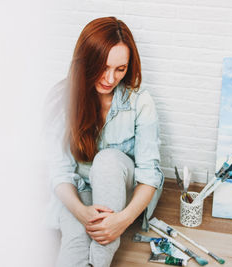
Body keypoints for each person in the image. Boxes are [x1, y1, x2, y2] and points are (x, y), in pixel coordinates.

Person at [45, 16, 164, 267]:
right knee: (74, 243)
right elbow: (61, 173)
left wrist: (122, 221)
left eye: (120, 69)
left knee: (107, 160)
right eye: (103, 66)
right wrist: (81, 212)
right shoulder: (63, 99)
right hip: (80, 191)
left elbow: (149, 176)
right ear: (86, 61)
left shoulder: (140, 103)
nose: (110, 79)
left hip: (122, 191)